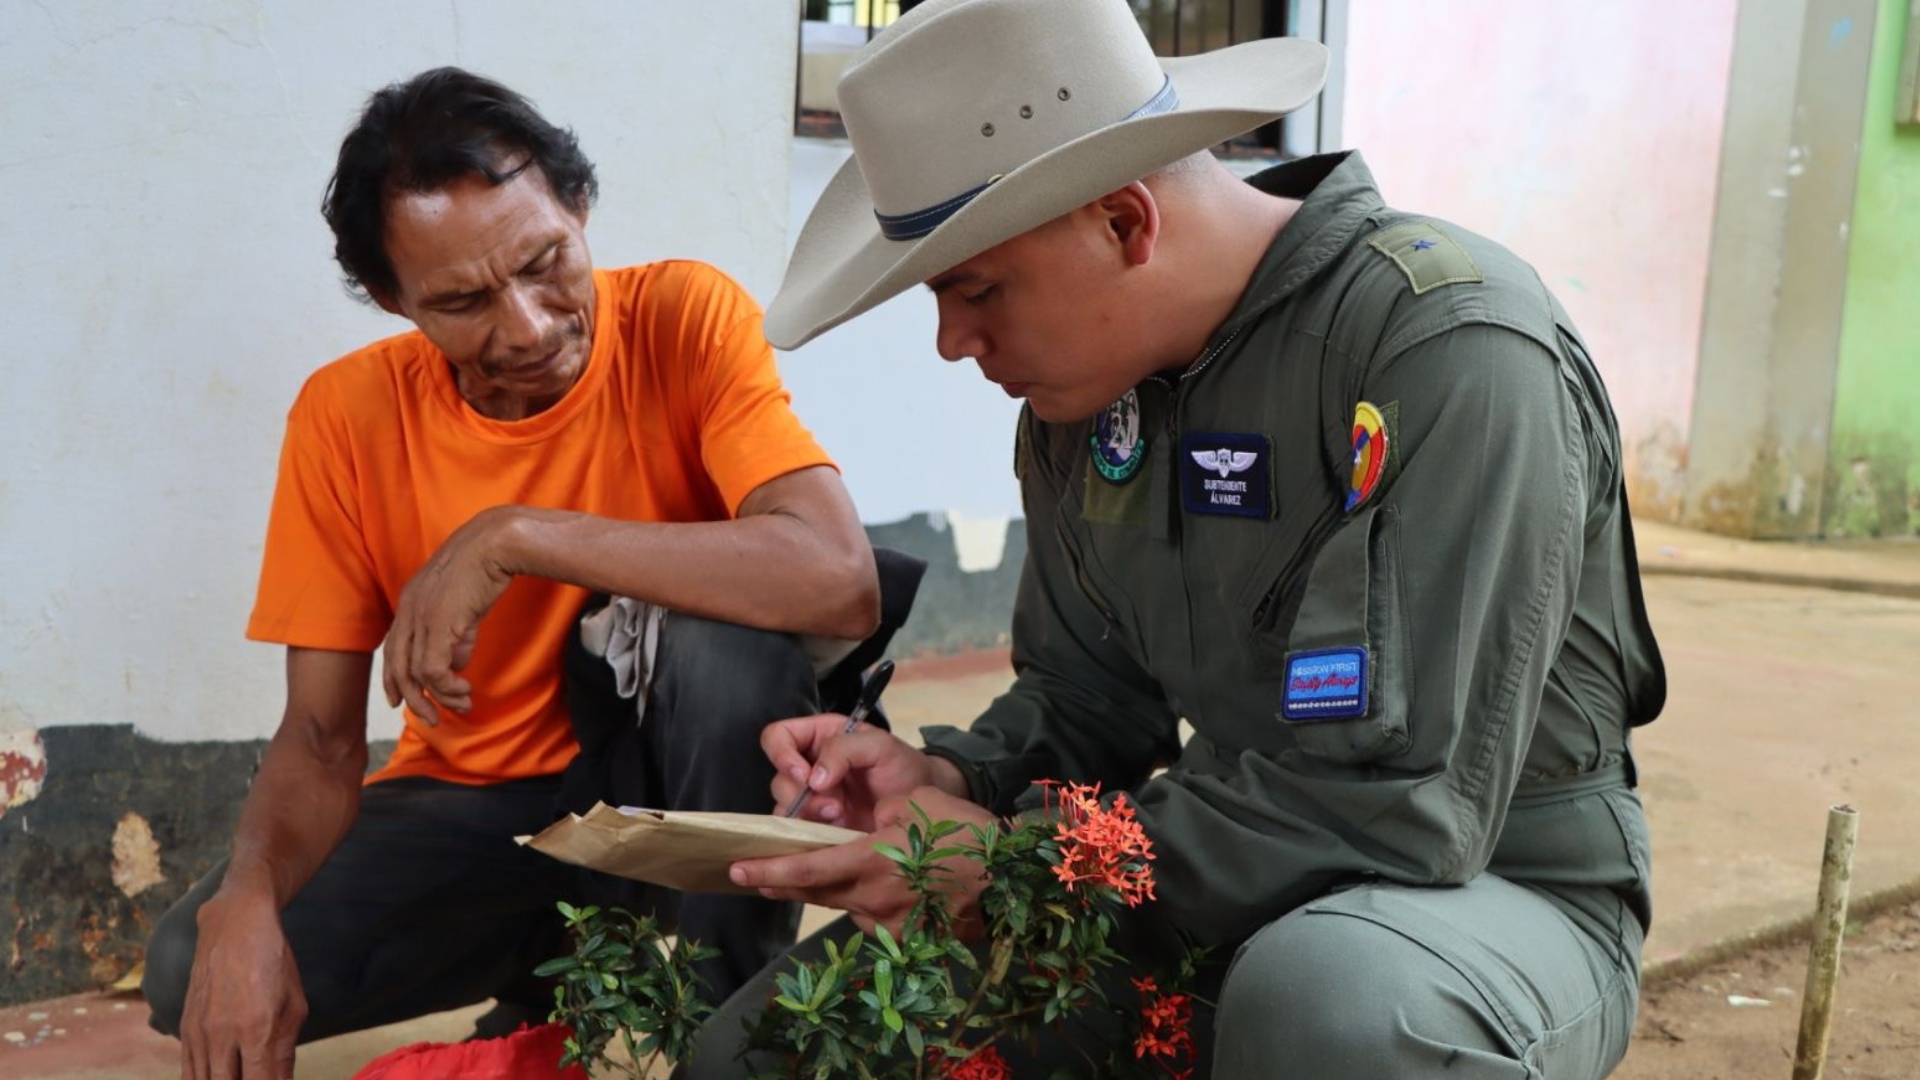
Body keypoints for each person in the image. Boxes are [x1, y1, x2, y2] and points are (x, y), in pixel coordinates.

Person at [682, 1, 1667, 1077]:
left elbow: (1401, 807)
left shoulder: (1448, 347)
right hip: (1192, 892)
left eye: (976, 288)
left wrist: (1019, 871)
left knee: (1331, 1006)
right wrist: (946, 782)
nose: (953, 341)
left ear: (1123, 222)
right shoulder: (1084, 408)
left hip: (1483, 896)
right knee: (776, 1048)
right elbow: (1087, 700)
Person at [141, 67, 891, 1080]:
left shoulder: (684, 317)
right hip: (478, 811)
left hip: (665, 789)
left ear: (580, 208)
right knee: (190, 963)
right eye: (460, 302)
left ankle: (735, 1037)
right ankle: (553, 976)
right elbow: (318, 740)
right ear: (388, 297)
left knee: (727, 651)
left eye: (546, 262)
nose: (529, 327)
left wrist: (513, 535)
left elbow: (837, 576)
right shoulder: (344, 417)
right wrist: (245, 900)